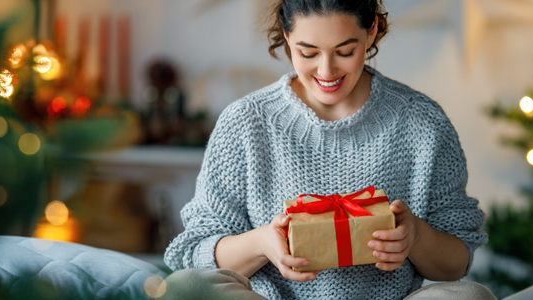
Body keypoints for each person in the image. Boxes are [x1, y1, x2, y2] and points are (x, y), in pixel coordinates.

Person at [162, 1, 495, 299]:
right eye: (308, 53)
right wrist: (263, 243)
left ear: (372, 32)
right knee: (185, 288)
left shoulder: (422, 122)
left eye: (345, 52)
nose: (326, 72)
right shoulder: (246, 122)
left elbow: (457, 262)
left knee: (470, 297)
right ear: (286, 35)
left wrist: (417, 237)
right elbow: (193, 253)